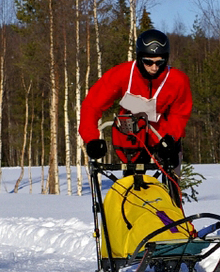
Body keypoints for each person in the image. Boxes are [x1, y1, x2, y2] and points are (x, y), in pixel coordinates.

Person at [79, 29, 192, 172]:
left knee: (172, 178)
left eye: (159, 62)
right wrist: (91, 138)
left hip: (164, 135)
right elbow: (92, 104)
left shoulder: (178, 80)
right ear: (139, 58)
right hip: (133, 135)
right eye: (148, 62)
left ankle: (173, 193)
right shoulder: (122, 74)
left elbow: (180, 113)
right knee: (133, 184)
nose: (154, 68)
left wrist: (172, 137)